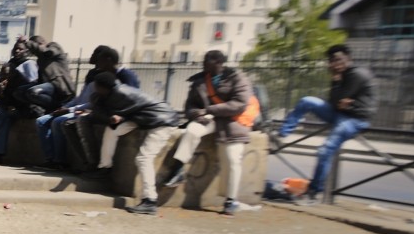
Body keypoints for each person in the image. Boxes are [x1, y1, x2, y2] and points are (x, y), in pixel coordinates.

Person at [160, 50, 261, 216]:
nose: (204, 64)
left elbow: (239, 104)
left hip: (233, 122)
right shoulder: (200, 81)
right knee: (192, 131)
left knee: (232, 158)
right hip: (209, 119)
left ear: (219, 63)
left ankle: (231, 200)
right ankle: (177, 170)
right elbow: (190, 106)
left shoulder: (238, 78)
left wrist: (209, 109)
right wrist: (195, 114)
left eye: (208, 61)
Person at [277, 44, 375, 202]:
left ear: (348, 59)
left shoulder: (356, 74)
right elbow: (335, 101)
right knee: (306, 101)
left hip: (355, 120)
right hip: (339, 113)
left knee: (325, 150)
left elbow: (337, 99)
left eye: (338, 59)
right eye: (332, 61)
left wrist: (339, 91)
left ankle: (314, 191)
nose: (335, 64)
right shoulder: (341, 75)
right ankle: (282, 135)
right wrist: (338, 89)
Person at [88, 71, 179, 215]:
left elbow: (99, 113)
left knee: (144, 158)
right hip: (141, 118)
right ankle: (105, 167)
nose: (94, 90)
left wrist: (98, 105)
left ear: (103, 87)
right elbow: (106, 114)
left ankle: (150, 200)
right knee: (112, 131)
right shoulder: (113, 92)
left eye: (96, 87)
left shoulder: (120, 94)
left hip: (162, 121)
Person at [40, 45, 136, 168]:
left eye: (99, 59)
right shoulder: (98, 75)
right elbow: (91, 99)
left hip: (119, 116)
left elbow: (130, 100)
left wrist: (75, 110)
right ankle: (88, 162)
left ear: (108, 60)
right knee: (69, 124)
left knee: (73, 122)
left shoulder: (125, 75)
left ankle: (97, 165)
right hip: (98, 112)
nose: (97, 62)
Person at [0, 37, 40, 160]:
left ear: (26, 51)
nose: (17, 51)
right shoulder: (10, 64)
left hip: (25, 106)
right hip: (9, 106)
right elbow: (2, 86)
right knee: (4, 119)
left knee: (2, 115)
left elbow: (31, 88)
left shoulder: (28, 65)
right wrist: (0, 88)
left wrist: (14, 104)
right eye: (15, 49)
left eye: (20, 49)